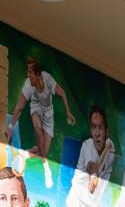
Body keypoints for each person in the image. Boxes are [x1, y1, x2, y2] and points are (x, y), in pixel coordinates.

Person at [6, 58, 74, 189]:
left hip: (49, 114)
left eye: (30, 72)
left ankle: (25, 154)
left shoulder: (48, 79)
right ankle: (46, 167)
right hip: (36, 108)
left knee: (44, 150)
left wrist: (68, 112)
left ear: (38, 75)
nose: (28, 75)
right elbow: (19, 107)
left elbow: (63, 93)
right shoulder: (28, 85)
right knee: (37, 128)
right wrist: (10, 127)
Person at [65, 105, 115, 207]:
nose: (97, 133)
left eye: (100, 127)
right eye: (94, 127)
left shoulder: (111, 149)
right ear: (90, 131)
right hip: (75, 205)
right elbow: (92, 184)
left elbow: (93, 188)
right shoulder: (87, 146)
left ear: (106, 131)